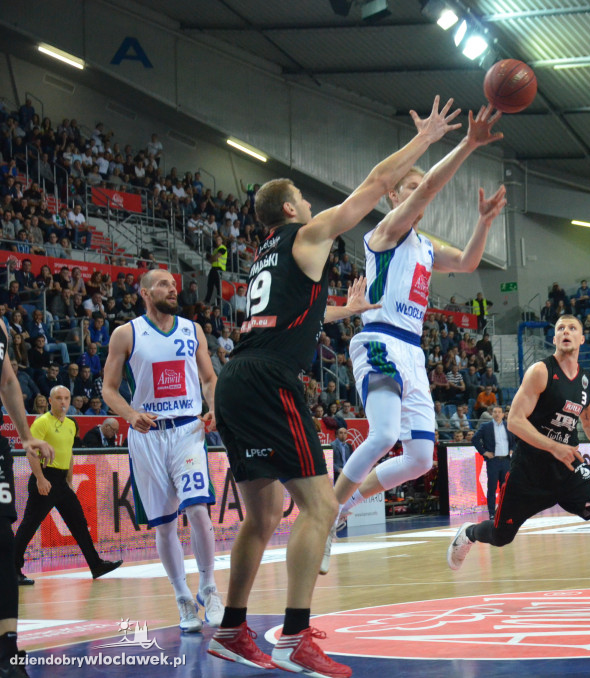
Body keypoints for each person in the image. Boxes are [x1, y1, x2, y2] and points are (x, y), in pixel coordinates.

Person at [207, 96, 461, 677]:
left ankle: (230, 629)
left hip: (236, 379)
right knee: (321, 507)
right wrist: (425, 140)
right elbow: (375, 185)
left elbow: (291, 317)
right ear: (290, 208)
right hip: (270, 380)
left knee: (262, 516)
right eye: (302, 197)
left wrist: (345, 310)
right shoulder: (307, 232)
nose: (310, 202)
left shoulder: (266, 258)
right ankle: (294, 636)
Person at [327, 103, 506, 575]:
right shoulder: (384, 233)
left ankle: (344, 507)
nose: (419, 193)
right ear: (393, 197)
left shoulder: (425, 246)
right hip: (380, 339)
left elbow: (467, 263)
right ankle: (327, 512)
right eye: (408, 188)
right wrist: (467, 143)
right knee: (384, 434)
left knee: (420, 459)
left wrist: (484, 221)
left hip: (412, 349)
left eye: (417, 188)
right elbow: (429, 189)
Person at [447, 315, 590, 608]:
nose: (566, 332)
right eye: (560, 328)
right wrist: (553, 446)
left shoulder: (588, 381)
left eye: (572, 328)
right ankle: (468, 533)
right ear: (554, 338)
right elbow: (515, 421)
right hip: (529, 471)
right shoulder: (541, 371)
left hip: (568, 468)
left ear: (582, 339)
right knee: (501, 535)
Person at [101, 269, 222, 633]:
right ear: (145, 292)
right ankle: (182, 596)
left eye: (174, 284)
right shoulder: (126, 333)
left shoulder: (192, 329)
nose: (173, 289)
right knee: (165, 523)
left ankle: (209, 587)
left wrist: (214, 406)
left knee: (198, 510)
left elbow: (209, 378)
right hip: (148, 435)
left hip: (187, 430)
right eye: (164, 284)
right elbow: (109, 389)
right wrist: (130, 414)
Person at [14, 386, 121, 583]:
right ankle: (12, 570)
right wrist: (40, 479)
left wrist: (69, 481)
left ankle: (96, 565)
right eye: (58, 398)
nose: (63, 402)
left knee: (79, 523)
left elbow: (69, 453)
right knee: (29, 525)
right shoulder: (42, 422)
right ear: (50, 401)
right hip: (45, 478)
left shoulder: (71, 424)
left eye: (66, 398)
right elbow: (31, 452)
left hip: (62, 482)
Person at [0, 321, 55, 677]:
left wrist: (24, 435)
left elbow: (6, 381)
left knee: (3, 543)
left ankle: (8, 650)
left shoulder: (1, 327)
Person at [472, 405, 516, 520]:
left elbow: (516, 440)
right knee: (491, 488)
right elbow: (474, 439)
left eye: (499, 412)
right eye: (495, 412)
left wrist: (512, 449)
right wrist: (484, 452)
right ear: (492, 414)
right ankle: (492, 513)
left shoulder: (508, 426)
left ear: (503, 414)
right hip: (493, 461)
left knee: (505, 488)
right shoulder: (486, 426)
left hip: (506, 460)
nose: (497, 414)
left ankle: (504, 511)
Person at [203, 234, 227, 306]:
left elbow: (215, 258)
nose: (217, 241)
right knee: (210, 285)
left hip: (219, 269)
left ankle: (218, 302)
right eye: (216, 240)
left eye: (219, 239)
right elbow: (212, 260)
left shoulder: (223, 248)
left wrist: (212, 258)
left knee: (218, 286)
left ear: (222, 241)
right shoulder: (216, 249)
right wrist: (212, 258)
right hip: (214, 268)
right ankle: (207, 300)